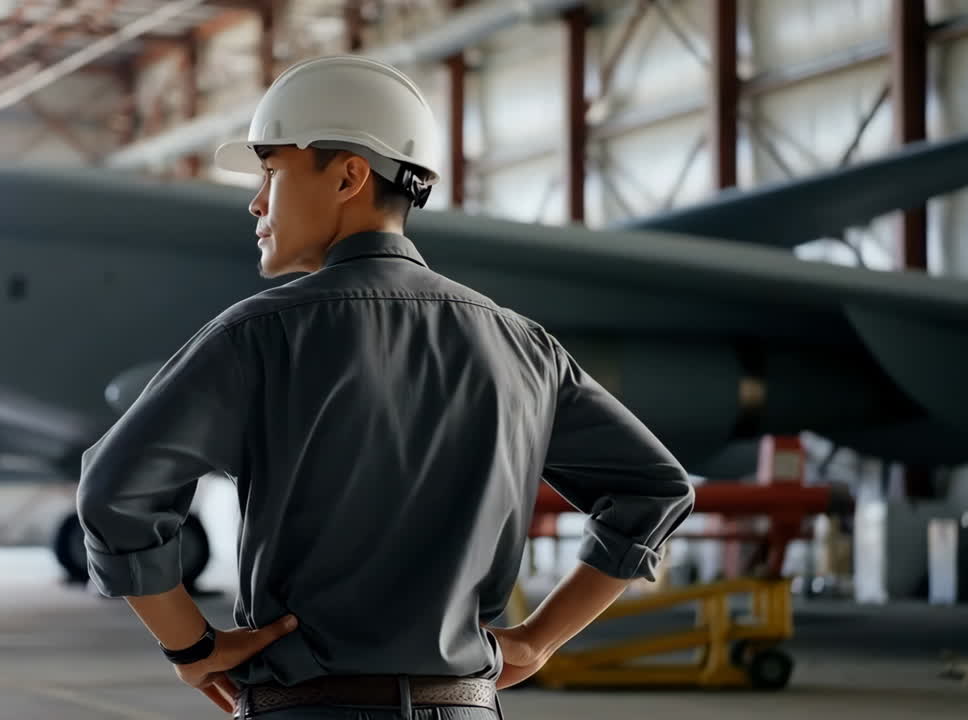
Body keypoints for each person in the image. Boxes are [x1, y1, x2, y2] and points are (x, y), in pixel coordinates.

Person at [75, 55, 695, 719]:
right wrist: (538, 643)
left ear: (348, 176)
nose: (256, 201)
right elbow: (653, 489)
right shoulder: (523, 346)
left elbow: (115, 493)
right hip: (466, 705)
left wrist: (191, 647)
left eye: (272, 170)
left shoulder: (260, 334)